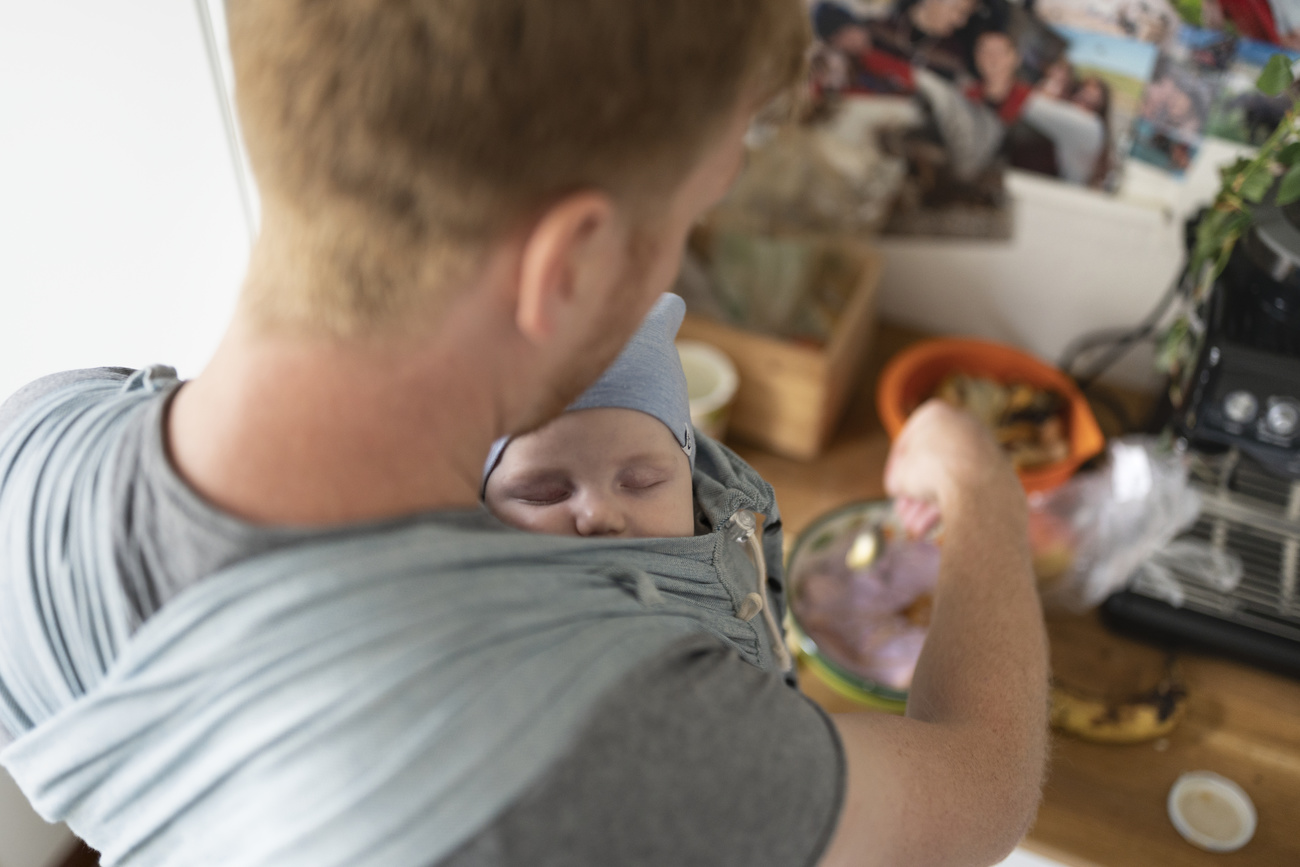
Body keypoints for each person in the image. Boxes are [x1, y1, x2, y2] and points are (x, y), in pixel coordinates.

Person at [0, 3, 1049, 867]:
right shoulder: (624, 755)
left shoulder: (31, 452)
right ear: (572, 265)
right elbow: (979, 781)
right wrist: (977, 488)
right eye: (685, 219)